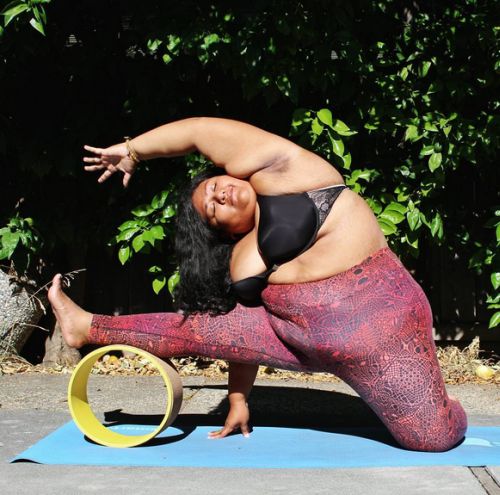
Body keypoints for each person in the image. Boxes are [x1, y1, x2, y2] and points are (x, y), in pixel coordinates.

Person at [48, 117, 467, 451]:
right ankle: (87, 327)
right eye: (213, 211)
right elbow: (240, 332)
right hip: (296, 341)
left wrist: (134, 150)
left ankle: (448, 406)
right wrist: (237, 398)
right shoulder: (241, 258)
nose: (220, 196)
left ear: (228, 172)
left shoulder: (290, 172)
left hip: (382, 334)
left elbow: (198, 133)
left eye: (213, 186)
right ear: (225, 233)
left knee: (433, 439)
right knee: (199, 327)